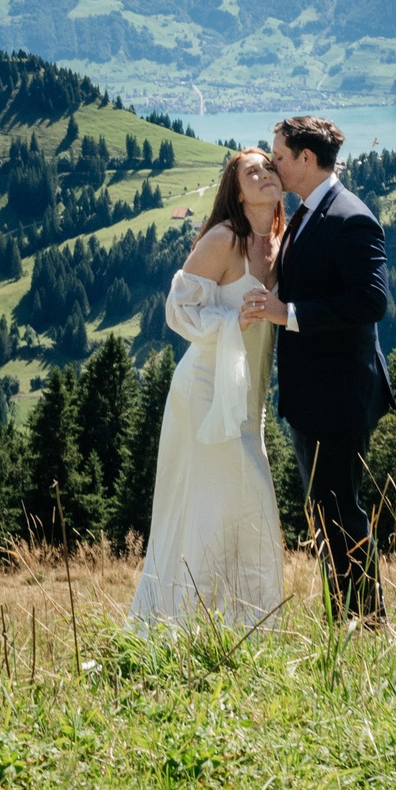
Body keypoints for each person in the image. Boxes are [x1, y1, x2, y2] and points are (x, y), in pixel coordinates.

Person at [240, 114, 389, 622]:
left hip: (340, 397)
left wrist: (289, 314)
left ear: (306, 158)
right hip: (315, 397)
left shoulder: (350, 218)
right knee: (325, 512)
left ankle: (364, 623)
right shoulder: (307, 211)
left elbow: (371, 301)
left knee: (340, 511)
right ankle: (346, 618)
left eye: (279, 156)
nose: (273, 164)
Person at [130, 148, 289, 626]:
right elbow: (177, 309)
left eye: (269, 166)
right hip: (205, 391)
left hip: (247, 398)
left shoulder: (280, 240)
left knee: (240, 506)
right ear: (237, 192)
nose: (264, 174)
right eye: (251, 171)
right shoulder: (224, 239)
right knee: (223, 506)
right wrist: (229, 320)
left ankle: (244, 626)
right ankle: (185, 624)